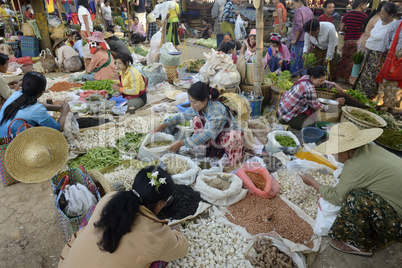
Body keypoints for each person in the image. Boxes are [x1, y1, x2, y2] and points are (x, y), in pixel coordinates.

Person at [300, 122, 402, 256]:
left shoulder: (355, 165)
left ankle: (361, 246)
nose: (336, 156)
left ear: (345, 150)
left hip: (398, 225)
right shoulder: (373, 149)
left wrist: (313, 182)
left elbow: (337, 198)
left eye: (336, 152)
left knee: (354, 198)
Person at [58, 166, 189, 268]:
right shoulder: (156, 234)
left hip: (69, 264)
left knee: (95, 211)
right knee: (159, 257)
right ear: (160, 204)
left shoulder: (110, 198)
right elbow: (182, 249)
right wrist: (176, 232)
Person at [152, 82, 244, 166]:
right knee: (196, 119)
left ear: (204, 100)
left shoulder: (216, 110)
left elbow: (207, 134)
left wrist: (181, 143)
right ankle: (204, 147)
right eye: (190, 101)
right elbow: (181, 117)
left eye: (194, 102)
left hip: (226, 135)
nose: (192, 105)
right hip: (215, 135)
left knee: (232, 136)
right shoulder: (199, 107)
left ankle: (231, 161)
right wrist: (162, 126)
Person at [0, 72, 70, 137]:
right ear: (42, 92)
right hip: (12, 143)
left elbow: (36, 104)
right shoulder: (37, 110)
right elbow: (58, 129)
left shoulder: (17, 94)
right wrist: (64, 112)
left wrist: (58, 108)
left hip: (2, 137)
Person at [354, 2, 398, 99]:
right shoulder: (379, 21)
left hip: (378, 55)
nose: (380, 15)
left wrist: (380, 60)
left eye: (383, 14)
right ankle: (358, 94)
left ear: (391, 15)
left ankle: (367, 97)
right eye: (381, 12)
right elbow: (372, 34)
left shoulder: (393, 26)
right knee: (363, 73)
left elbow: (387, 44)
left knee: (372, 76)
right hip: (369, 50)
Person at [278, 66, 345, 130]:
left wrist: (334, 85)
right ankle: (285, 121)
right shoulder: (309, 88)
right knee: (314, 125)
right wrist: (335, 103)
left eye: (323, 80)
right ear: (312, 78)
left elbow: (321, 83)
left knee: (312, 115)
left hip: (283, 108)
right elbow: (316, 106)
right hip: (286, 116)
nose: (321, 83)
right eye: (320, 81)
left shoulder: (306, 77)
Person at [334, 0, 368, 84]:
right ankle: (349, 78)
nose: (366, 6)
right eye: (365, 4)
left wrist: (348, 29)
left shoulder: (347, 15)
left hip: (347, 40)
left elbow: (341, 28)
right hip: (358, 40)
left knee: (344, 58)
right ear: (361, 4)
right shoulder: (364, 16)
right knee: (353, 60)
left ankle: (337, 74)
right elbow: (364, 29)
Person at [376, 19, 402, 111]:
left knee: (397, 87)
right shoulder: (396, 25)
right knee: (385, 82)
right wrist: (379, 60)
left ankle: (391, 107)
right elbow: (385, 42)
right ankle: (379, 104)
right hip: (391, 59)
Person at [290, 0, 314, 78]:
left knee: (296, 61)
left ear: (299, 2)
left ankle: (296, 79)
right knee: (304, 60)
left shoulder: (298, 11)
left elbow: (299, 27)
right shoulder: (309, 10)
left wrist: (295, 39)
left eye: (293, 4)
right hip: (308, 40)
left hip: (299, 41)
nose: (293, 6)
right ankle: (304, 79)